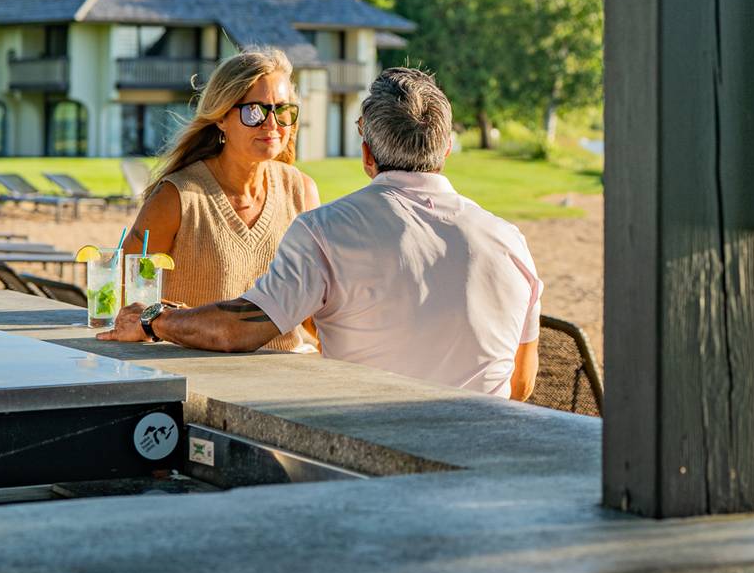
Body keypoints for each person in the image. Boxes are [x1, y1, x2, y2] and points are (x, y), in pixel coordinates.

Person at [100, 67, 543, 400]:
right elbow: (520, 385)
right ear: (446, 148)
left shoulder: (326, 230)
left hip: (365, 454)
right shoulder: (511, 242)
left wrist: (154, 319)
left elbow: (237, 330)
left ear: (367, 152)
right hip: (486, 468)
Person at [123, 46, 321, 352]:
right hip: (196, 378)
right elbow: (126, 294)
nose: (272, 124)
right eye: (254, 111)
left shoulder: (301, 191)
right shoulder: (177, 198)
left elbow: (315, 310)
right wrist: (174, 322)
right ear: (221, 118)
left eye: (282, 110)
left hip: (287, 380)